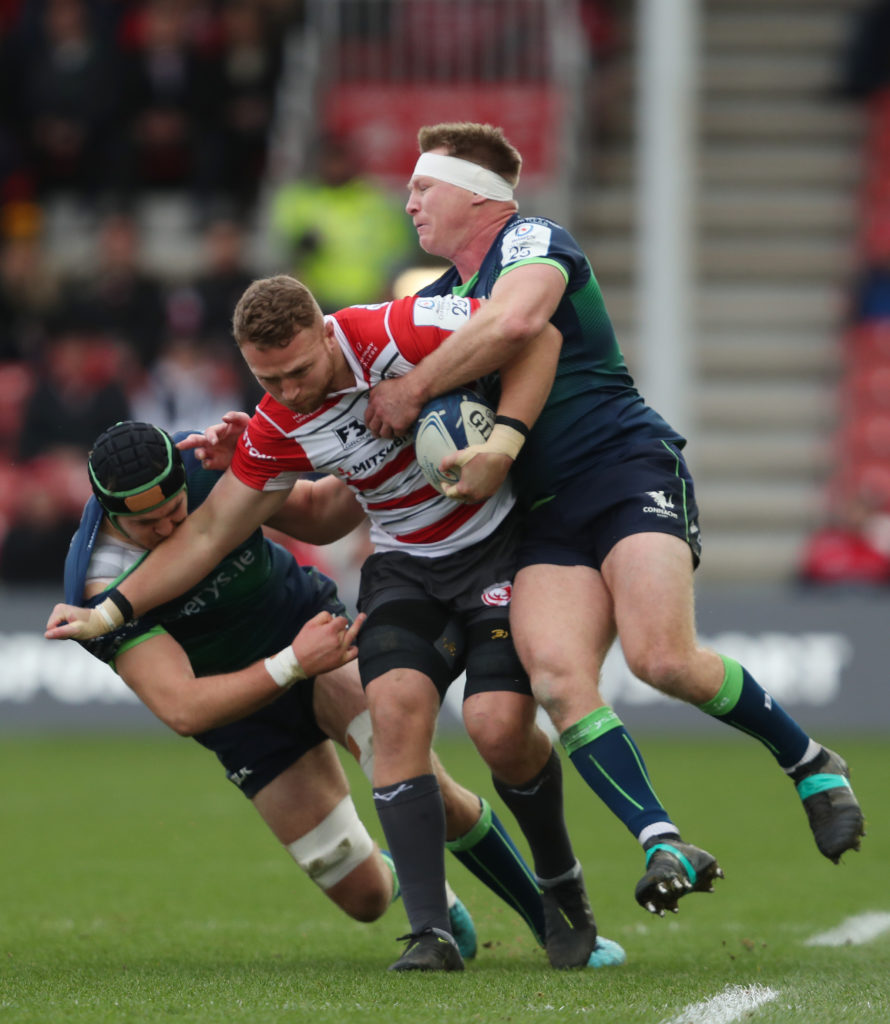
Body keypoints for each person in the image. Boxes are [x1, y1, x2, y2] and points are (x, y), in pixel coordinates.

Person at [362, 121, 867, 915]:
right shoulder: (431, 306)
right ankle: (661, 840)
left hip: (625, 471)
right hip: (541, 517)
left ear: (476, 195)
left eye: (424, 186)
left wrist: (414, 387)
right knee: (562, 681)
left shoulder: (533, 240)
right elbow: (354, 383)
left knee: (663, 658)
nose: (409, 199)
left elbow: (517, 324)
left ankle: (810, 763)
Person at [45, 285, 626, 973]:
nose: (171, 523)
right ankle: (428, 895)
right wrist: (289, 663)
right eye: (149, 525)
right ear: (112, 517)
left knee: (412, 766)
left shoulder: (201, 462)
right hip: (241, 712)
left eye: (176, 507)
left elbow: (324, 515)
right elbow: (181, 707)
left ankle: (550, 924)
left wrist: (319, 470)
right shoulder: (94, 583)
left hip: (306, 629)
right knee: (360, 895)